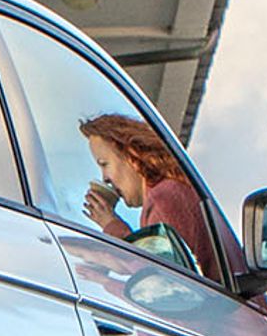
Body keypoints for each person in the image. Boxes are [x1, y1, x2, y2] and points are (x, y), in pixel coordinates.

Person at [78, 112, 220, 275]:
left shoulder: (164, 198)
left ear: (131, 155)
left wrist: (112, 225)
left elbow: (162, 279)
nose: (105, 178)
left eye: (104, 164)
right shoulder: (172, 191)